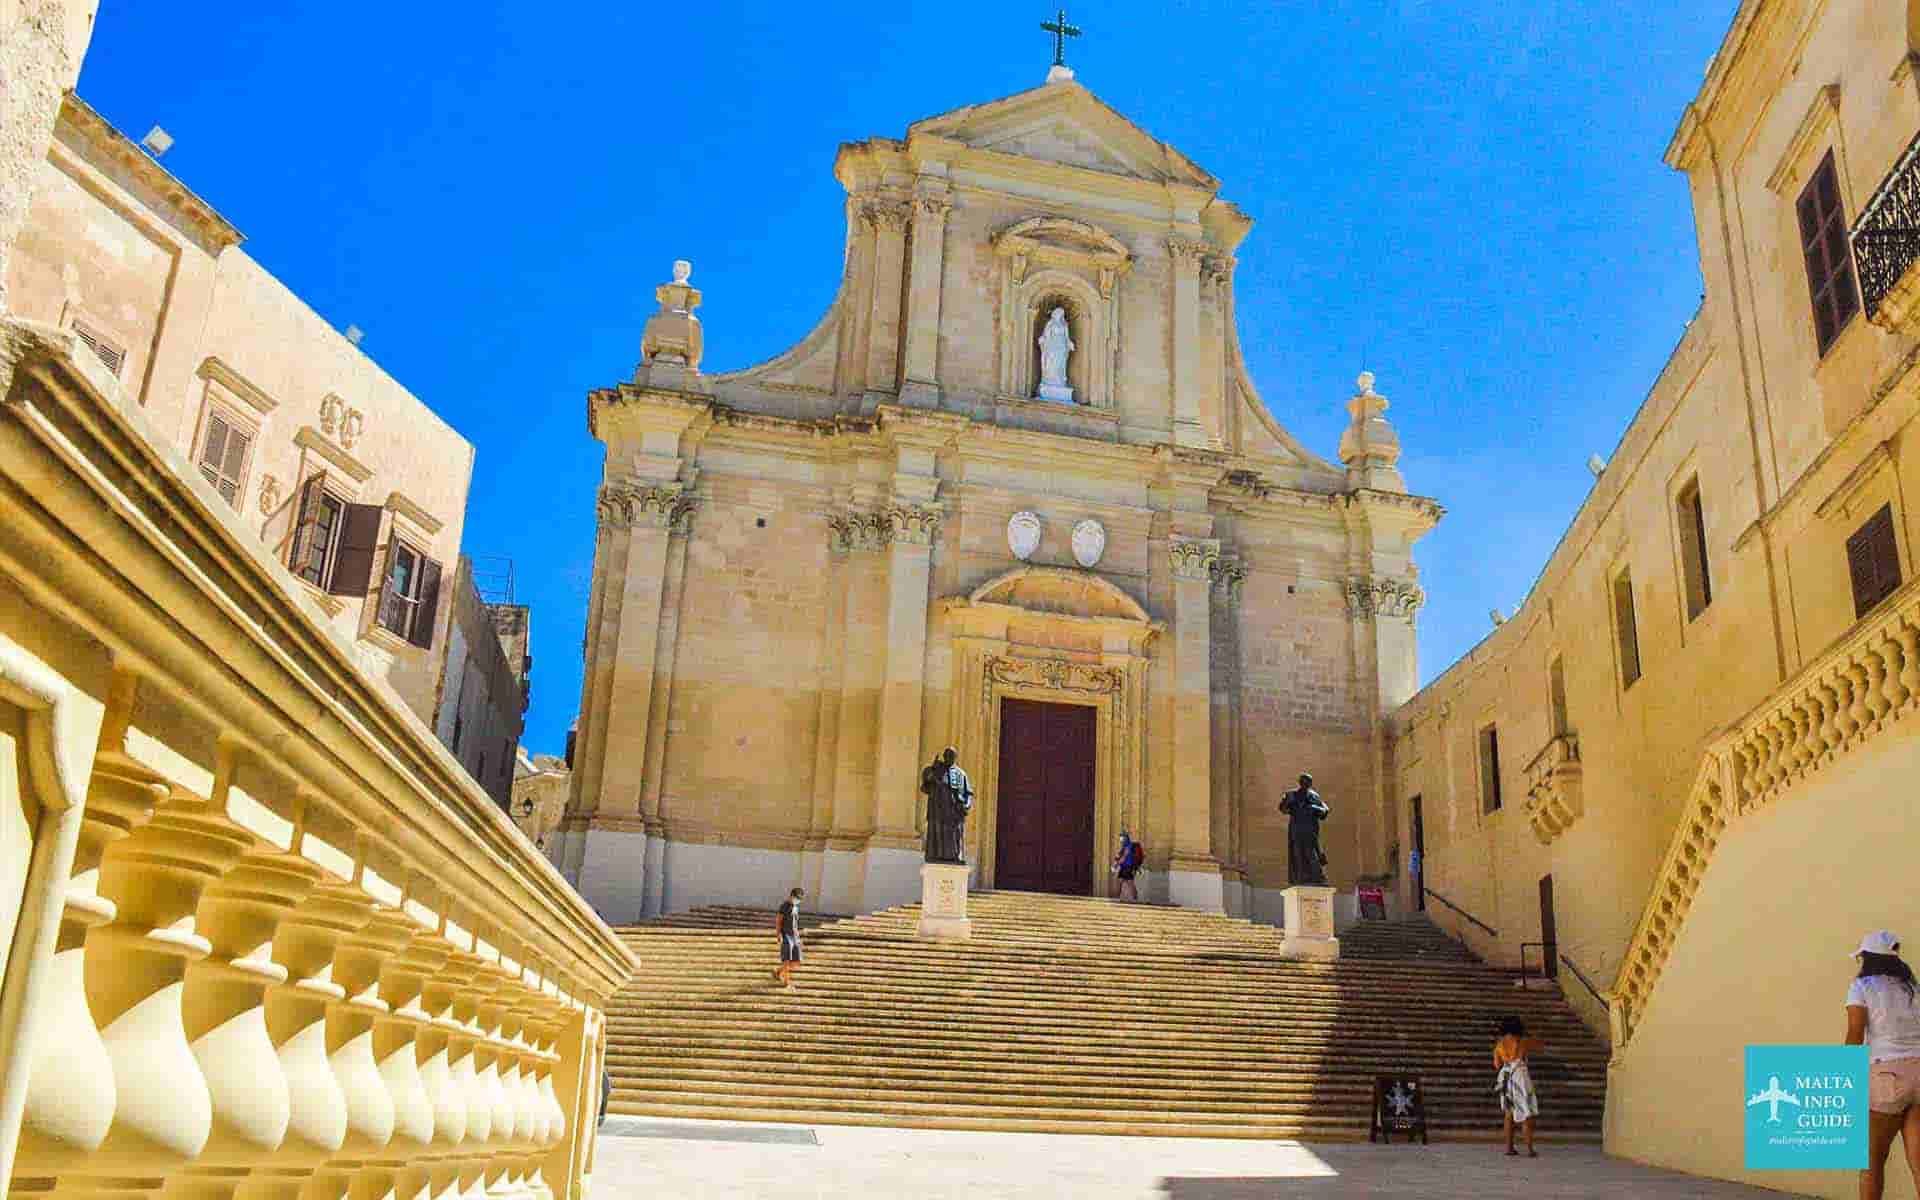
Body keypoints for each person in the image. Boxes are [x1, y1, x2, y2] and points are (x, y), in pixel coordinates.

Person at [1845, 930, 1920, 1199]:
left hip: (1887, 1076)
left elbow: (1856, 1031)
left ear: (1867, 957)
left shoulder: (1862, 988)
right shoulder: (1913, 988)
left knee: (1871, 1160)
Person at [1493, 1015, 1544, 1157]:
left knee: (1508, 1114)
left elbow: (1497, 1065)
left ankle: (1509, 1148)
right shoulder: (1522, 1042)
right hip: (1520, 1077)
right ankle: (1530, 1149)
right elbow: (1540, 1045)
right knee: (1526, 1112)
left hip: (1506, 1077)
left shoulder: (1499, 1044)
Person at [1279, 772, 1331, 886]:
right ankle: (1300, 877)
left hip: (1311, 830)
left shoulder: (1314, 796)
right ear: (1300, 782)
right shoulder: (1291, 794)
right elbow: (1282, 808)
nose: (1306, 784)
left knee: (1313, 854)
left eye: (1308, 782)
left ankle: (1317, 877)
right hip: (1297, 830)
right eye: (1304, 782)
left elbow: (1325, 810)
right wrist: (1288, 803)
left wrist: (1314, 808)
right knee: (1298, 854)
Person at [772, 887, 804, 989]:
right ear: (791, 896)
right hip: (786, 936)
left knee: (797, 962)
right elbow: (778, 921)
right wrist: (778, 935)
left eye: (799, 899)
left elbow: (795, 924)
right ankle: (787, 982)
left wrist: (798, 938)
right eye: (796, 898)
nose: (797, 900)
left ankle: (778, 971)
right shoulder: (784, 906)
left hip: (794, 936)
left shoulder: (796, 907)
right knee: (786, 960)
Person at [1112, 831, 1143, 902]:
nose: (1120, 839)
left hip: (1128, 867)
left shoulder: (1128, 846)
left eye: (1122, 837)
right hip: (1124, 867)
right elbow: (1119, 856)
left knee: (1129, 883)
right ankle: (1120, 898)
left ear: (1125, 838)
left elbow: (1123, 858)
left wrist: (1116, 865)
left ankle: (1134, 898)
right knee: (1123, 882)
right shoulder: (1125, 846)